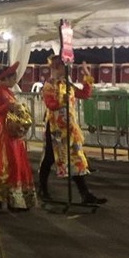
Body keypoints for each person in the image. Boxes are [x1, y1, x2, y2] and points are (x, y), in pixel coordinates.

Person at [39, 56, 106, 205]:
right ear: (56, 67)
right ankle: (42, 188)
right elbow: (51, 105)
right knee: (50, 158)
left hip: (69, 128)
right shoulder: (49, 85)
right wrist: (63, 99)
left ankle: (85, 193)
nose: (67, 69)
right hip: (55, 128)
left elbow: (84, 94)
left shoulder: (66, 84)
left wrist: (86, 76)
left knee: (75, 157)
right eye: (64, 67)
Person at [0, 62, 36, 211]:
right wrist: (7, 107)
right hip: (4, 130)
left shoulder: (8, 91)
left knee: (16, 162)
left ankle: (11, 198)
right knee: (8, 162)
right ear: (7, 78)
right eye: (14, 78)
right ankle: (1, 195)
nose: (15, 81)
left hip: (13, 132)